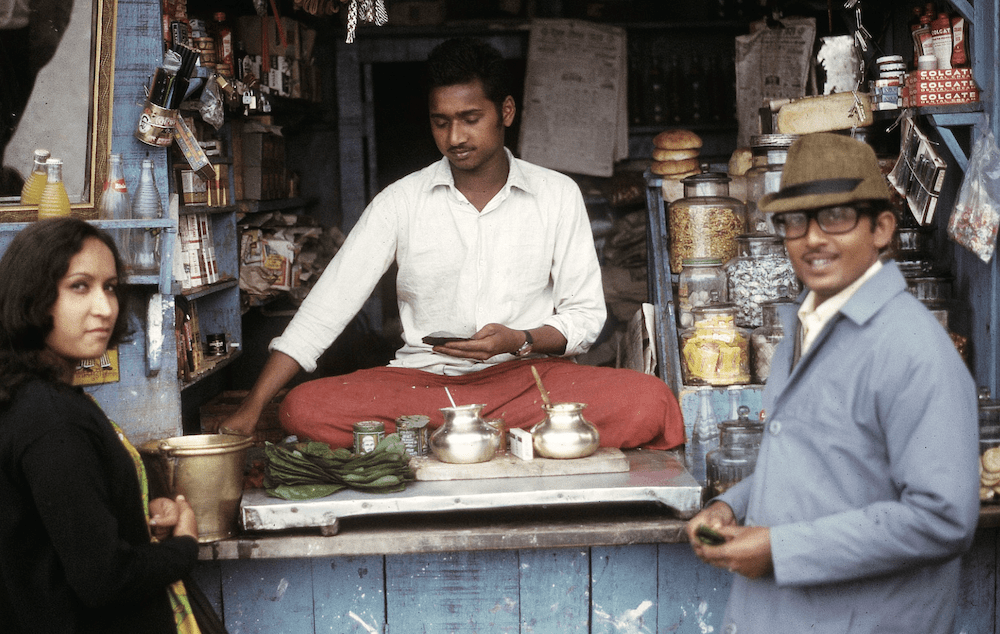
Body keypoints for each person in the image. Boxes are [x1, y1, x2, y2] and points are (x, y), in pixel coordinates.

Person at [221, 37, 684, 451]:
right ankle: (505, 438)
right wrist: (254, 405)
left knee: (650, 400)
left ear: (505, 111)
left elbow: (585, 317)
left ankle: (452, 441)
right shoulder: (400, 201)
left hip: (529, 381)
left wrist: (519, 341)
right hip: (424, 386)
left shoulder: (556, 194)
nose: (455, 137)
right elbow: (327, 307)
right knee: (301, 407)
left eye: (469, 119)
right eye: (440, 122)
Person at [684, 132, 979, 633]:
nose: (813, 238)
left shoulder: (910, 346)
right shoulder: (808, 326)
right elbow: (817, 465)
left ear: (882, 228)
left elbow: (942, 519)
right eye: (795, 221)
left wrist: (780, 550)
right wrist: (729, 506)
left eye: (836, 217)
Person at [0, 218, 202, 633]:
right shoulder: (52, 419)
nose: (105, 307)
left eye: (110, 287)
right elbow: (106, 579)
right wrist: (184, 546)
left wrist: (137, 515)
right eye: (80, 286)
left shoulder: (27, 398)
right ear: (32, 296)